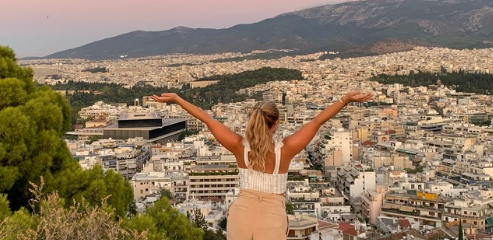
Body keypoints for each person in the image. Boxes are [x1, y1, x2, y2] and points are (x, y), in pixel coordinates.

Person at [153, 90, 373, 240]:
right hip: (272, 217)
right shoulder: (284, 150)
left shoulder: (239, 146)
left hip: (241, 215)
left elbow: (208, 119)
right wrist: (345, 100)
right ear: (276, 124)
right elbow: (317, 121)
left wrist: (178, 99)